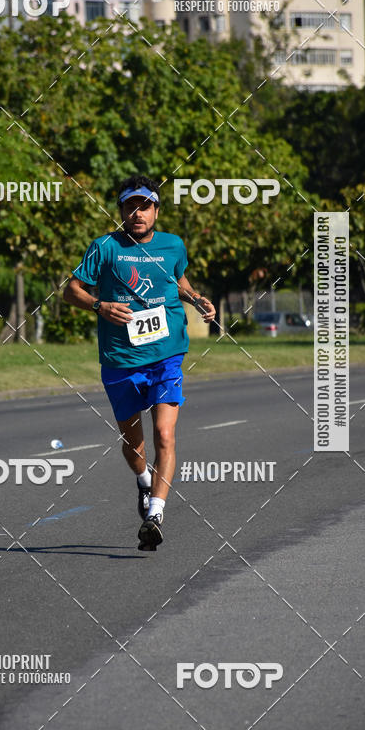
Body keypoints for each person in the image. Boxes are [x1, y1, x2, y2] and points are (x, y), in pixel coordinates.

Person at [63, 175, 215, 550]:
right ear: (121, 211)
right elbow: (71, 290)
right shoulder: (105, 248)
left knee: (165, 434)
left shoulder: (173, 245)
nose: (137, 213)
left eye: (144, 206)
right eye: (130, 206)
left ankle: (155, 514)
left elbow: (175, 279)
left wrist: (195, 297)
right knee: (134, 446)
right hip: (121, 359)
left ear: (156, 210)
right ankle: (144, 483)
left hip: (167, 352)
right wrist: (100, 305)